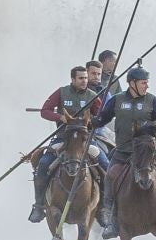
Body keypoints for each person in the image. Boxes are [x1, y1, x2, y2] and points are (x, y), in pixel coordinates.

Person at [94, 66, 156, 236]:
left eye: (147, 82)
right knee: (110, 174)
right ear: (132, 83)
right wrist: (94, 121)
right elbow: (103, 119)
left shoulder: (152, 100)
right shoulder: (116, 100)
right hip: (124, 149)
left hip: (147, 149)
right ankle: (110, 220)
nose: (146, 86)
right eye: (143, 83)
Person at [30, 64, 110, 222]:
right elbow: (44, 111)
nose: (84, 81)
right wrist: (60, 118)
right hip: (63, 139)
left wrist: (91, 121)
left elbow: (101, 117)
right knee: (43, 165)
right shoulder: (61, 92)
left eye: (86, 78)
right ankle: (39, 206)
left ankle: (103, 208)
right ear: (72, 79)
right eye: (81, 78)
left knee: (105, 165)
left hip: (85, 140)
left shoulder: (93, 95)